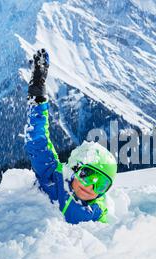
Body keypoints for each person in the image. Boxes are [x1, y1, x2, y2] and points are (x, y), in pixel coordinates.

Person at [24, 49, 117, 224]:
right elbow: (37, 140)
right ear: (74, 167)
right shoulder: (52, 177)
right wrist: (37, 93)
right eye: (87, 175)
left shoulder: (97, 211)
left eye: (101, 185)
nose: (91, 187)